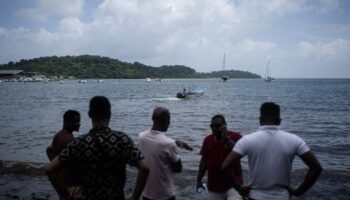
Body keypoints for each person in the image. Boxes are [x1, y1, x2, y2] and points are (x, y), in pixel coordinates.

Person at [47, 96, 149, 200]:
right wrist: (134, 197)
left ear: (89, 114)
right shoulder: (122, 139)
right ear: (109, 114)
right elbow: (145, 168)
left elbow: (51, 169)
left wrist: (66, 195)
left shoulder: (79, 143)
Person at [221, 102, 322, 200]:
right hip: (282, 196)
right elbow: (316, 168)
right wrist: (298, 191)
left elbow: (225, 166)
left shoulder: (247, 140)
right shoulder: (294, 140)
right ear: (279, 121)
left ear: (260, 119)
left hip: (256, 196)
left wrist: (240, 189)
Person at [138, 107, 193, 200]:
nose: (169, 123)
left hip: (147, 193)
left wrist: (175, 142)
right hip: (165, 194)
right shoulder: (169, 144)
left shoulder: (141, 137)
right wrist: (174, 147)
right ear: (166, 121)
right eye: (169, 120)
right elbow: (178, 168)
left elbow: (155, 144)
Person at [197, 114, 243, 200]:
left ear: (224, 125)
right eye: (212, 126)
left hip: (234, 183)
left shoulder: (235, 136)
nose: (214, 128)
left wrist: (226, 138)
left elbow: (239, 152)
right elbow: (203, 161)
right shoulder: (208, 140)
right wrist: (199, 180)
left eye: (217, 126)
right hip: (214, 185)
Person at [46, 110, 82, 198]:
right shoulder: (69, 140)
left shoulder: (58, 135)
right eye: (76, 121)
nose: (79, 124)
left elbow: (48, 150)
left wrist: (54, 164)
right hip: (72, 184)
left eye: (79, 121)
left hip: (62, 181)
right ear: (68, 122)